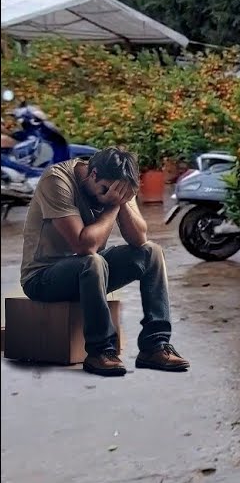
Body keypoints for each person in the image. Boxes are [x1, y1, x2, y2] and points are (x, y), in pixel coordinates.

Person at [20, 148, 188, 377]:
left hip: (90, 272)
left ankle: (154, 346)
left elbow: (139, 238)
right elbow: (83, 246)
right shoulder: (57, 180)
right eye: (106, 190)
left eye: (121, 193)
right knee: (92, 261)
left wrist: (120, 202)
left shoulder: (118, 186)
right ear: (93, 173)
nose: (111, 195)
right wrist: (112, 206)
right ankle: (101, 352)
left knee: (152, 253)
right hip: (42, 278)